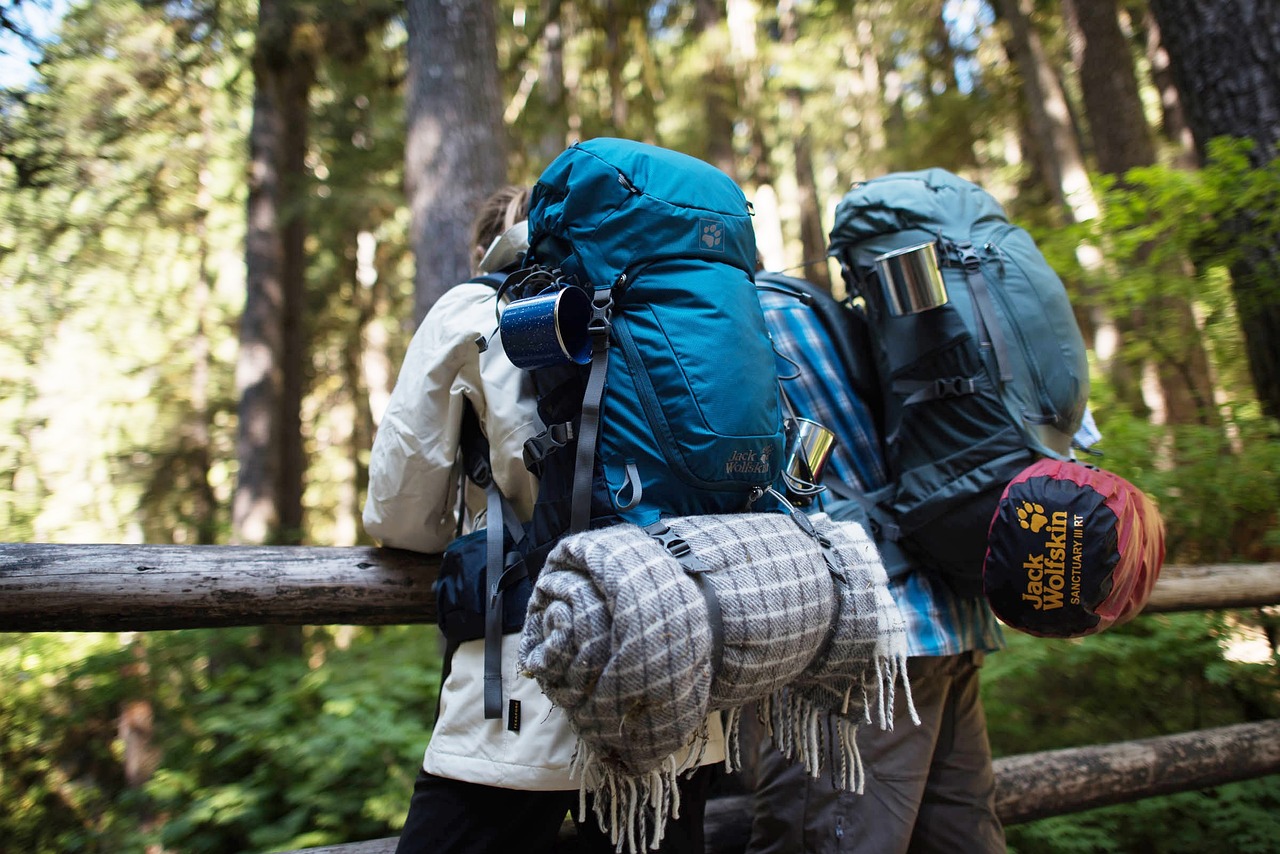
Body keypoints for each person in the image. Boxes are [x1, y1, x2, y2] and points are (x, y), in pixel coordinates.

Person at [362, 185, 722, 854]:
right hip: (673, 677)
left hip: (529, 680)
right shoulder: (659, 304)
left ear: (487, 246)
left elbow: (399, 516)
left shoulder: (474, 309)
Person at [745, 275, 1007, 854]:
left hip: (858, 644)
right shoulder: (806, 300)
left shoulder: (728, 326)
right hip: (945, 611)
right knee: (960, 837)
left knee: (818, 838)